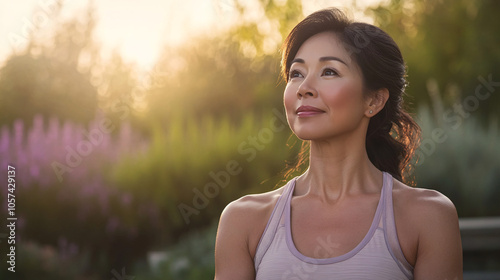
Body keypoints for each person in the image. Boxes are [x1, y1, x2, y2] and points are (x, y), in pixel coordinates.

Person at [214, 7, 462, 280]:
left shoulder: (428, 217)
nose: (303, 87)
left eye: (329, 71)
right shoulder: (243, 220)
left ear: (374, 101)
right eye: (296, 73)